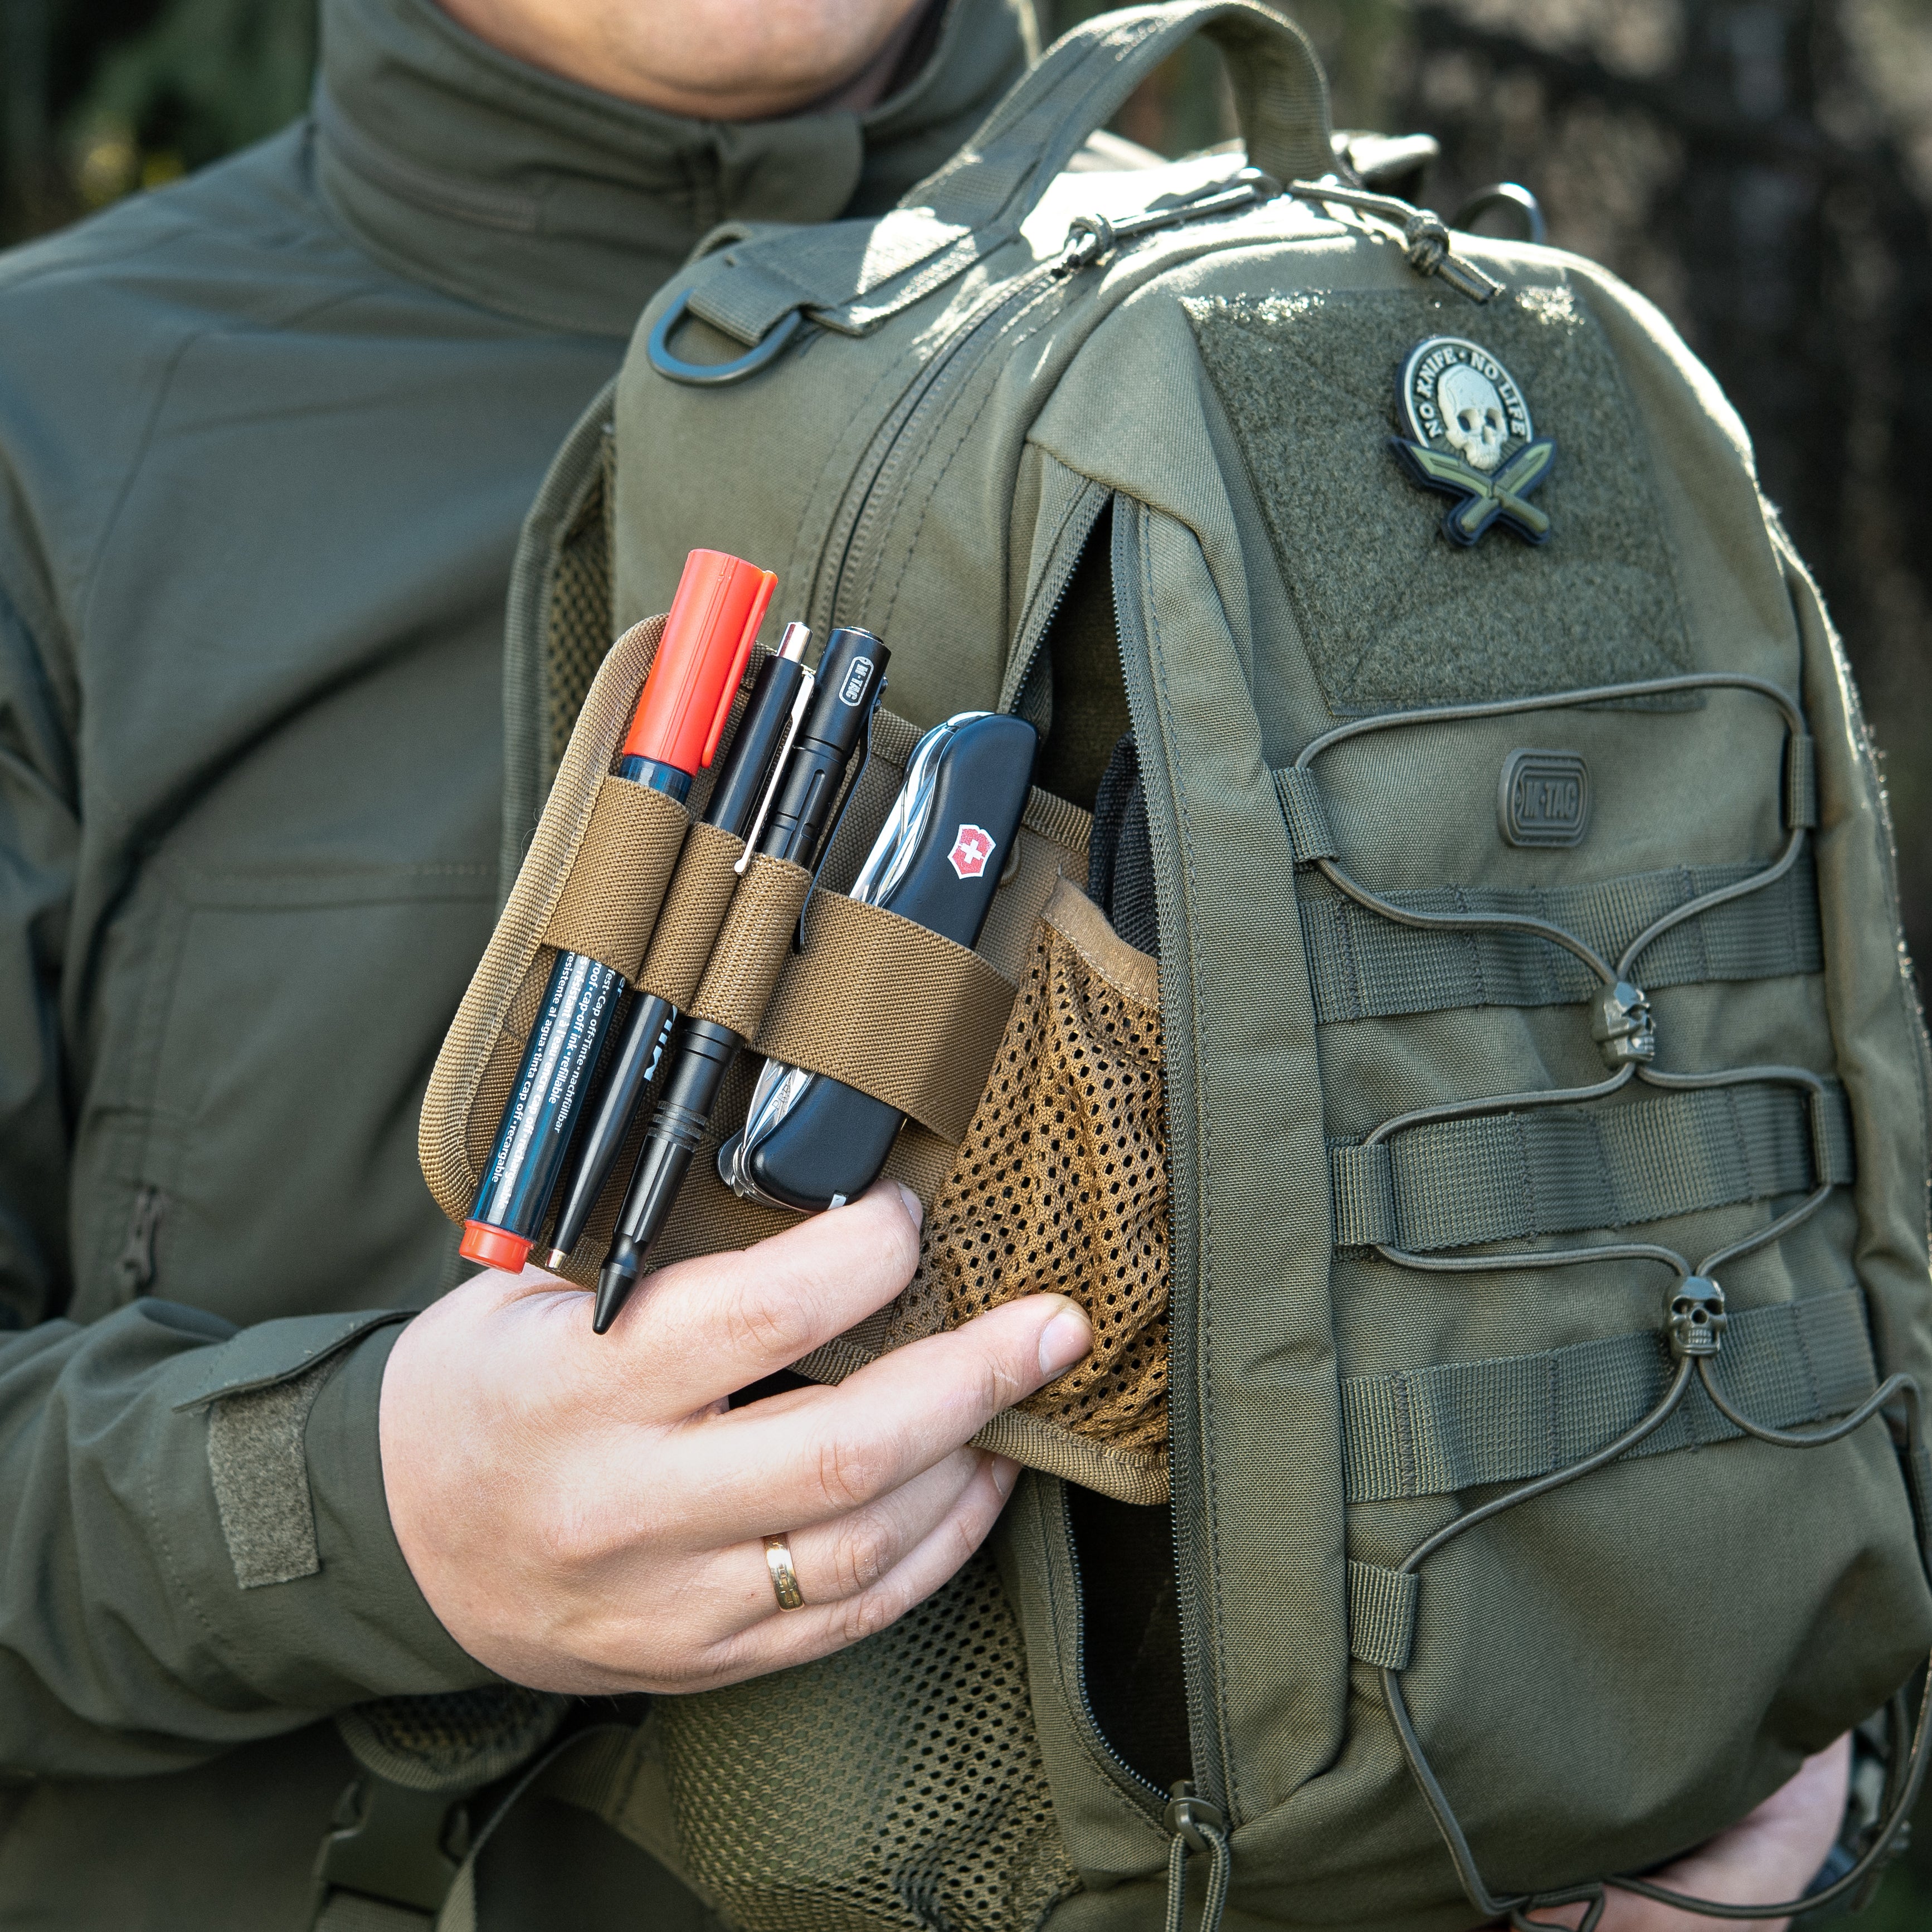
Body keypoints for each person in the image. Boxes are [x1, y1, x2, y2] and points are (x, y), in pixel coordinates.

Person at [0, 0, 1857, 1924]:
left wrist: (1742, 1732)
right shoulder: (45, 422)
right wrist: (353, 1511)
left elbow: (1714, 1152)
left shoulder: (1336, 349)